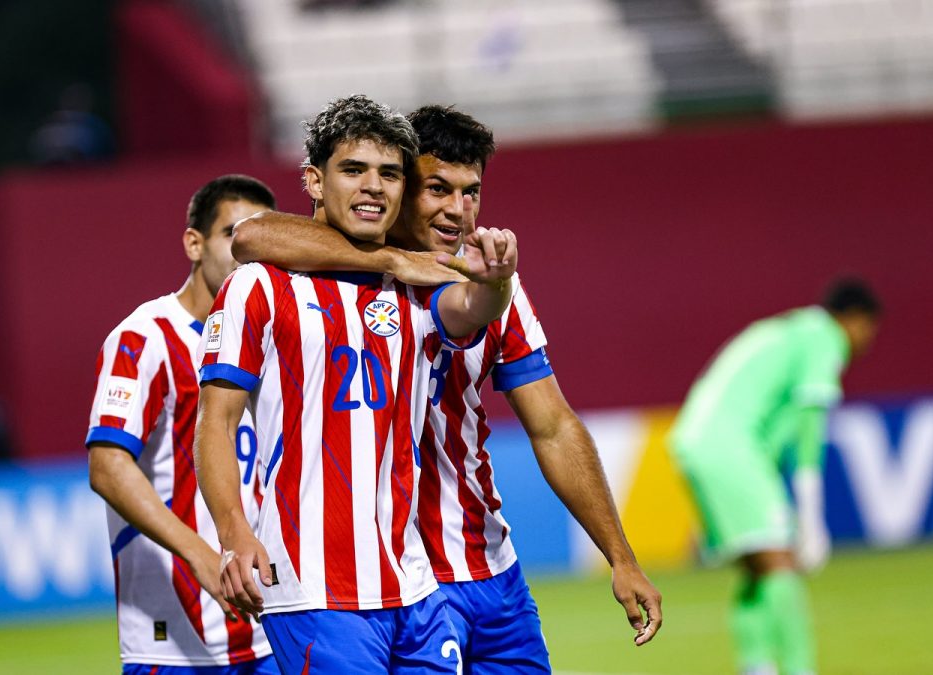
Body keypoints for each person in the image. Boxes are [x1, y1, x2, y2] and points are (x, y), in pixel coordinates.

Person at [231, 104, 662, 670]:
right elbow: (252, 234)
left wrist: (621, 555)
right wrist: (395, 259)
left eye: (471, 193)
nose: (457, 211)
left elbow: (553, 425)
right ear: (402, 185)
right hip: (403, 578)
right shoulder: (328, 266)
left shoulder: (485, 282)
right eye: (436, 188)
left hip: (489, 566)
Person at [193, 95, 519, 674]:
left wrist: (499, 283)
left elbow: (474, 308)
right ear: (314, 181)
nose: (373, 187)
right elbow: (214, 422)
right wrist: (234, 533)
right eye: (354, 170)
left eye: (390, 174)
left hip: (415, 588)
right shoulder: (259, 288)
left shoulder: (419, 285)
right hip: (315, 588)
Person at [85, 176, 279, 674]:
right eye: (234, 235)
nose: (248, 254)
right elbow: (107, 466)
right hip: (177, 639)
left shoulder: (277, 338)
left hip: (274, 621)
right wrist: (201, 555)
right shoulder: (145, 338)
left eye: (262, 240)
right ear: (195, 242)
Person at [669, 279, 881, 675]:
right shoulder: (824, 338)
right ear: (854, 320)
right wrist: (813, 517)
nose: (867, 341)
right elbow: (808, 429)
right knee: (780, 561)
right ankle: (801, 669)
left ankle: (758, 667)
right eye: (869, 329)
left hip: (694, 442)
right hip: (729, 447)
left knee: (756, 567)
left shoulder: (788, 331)